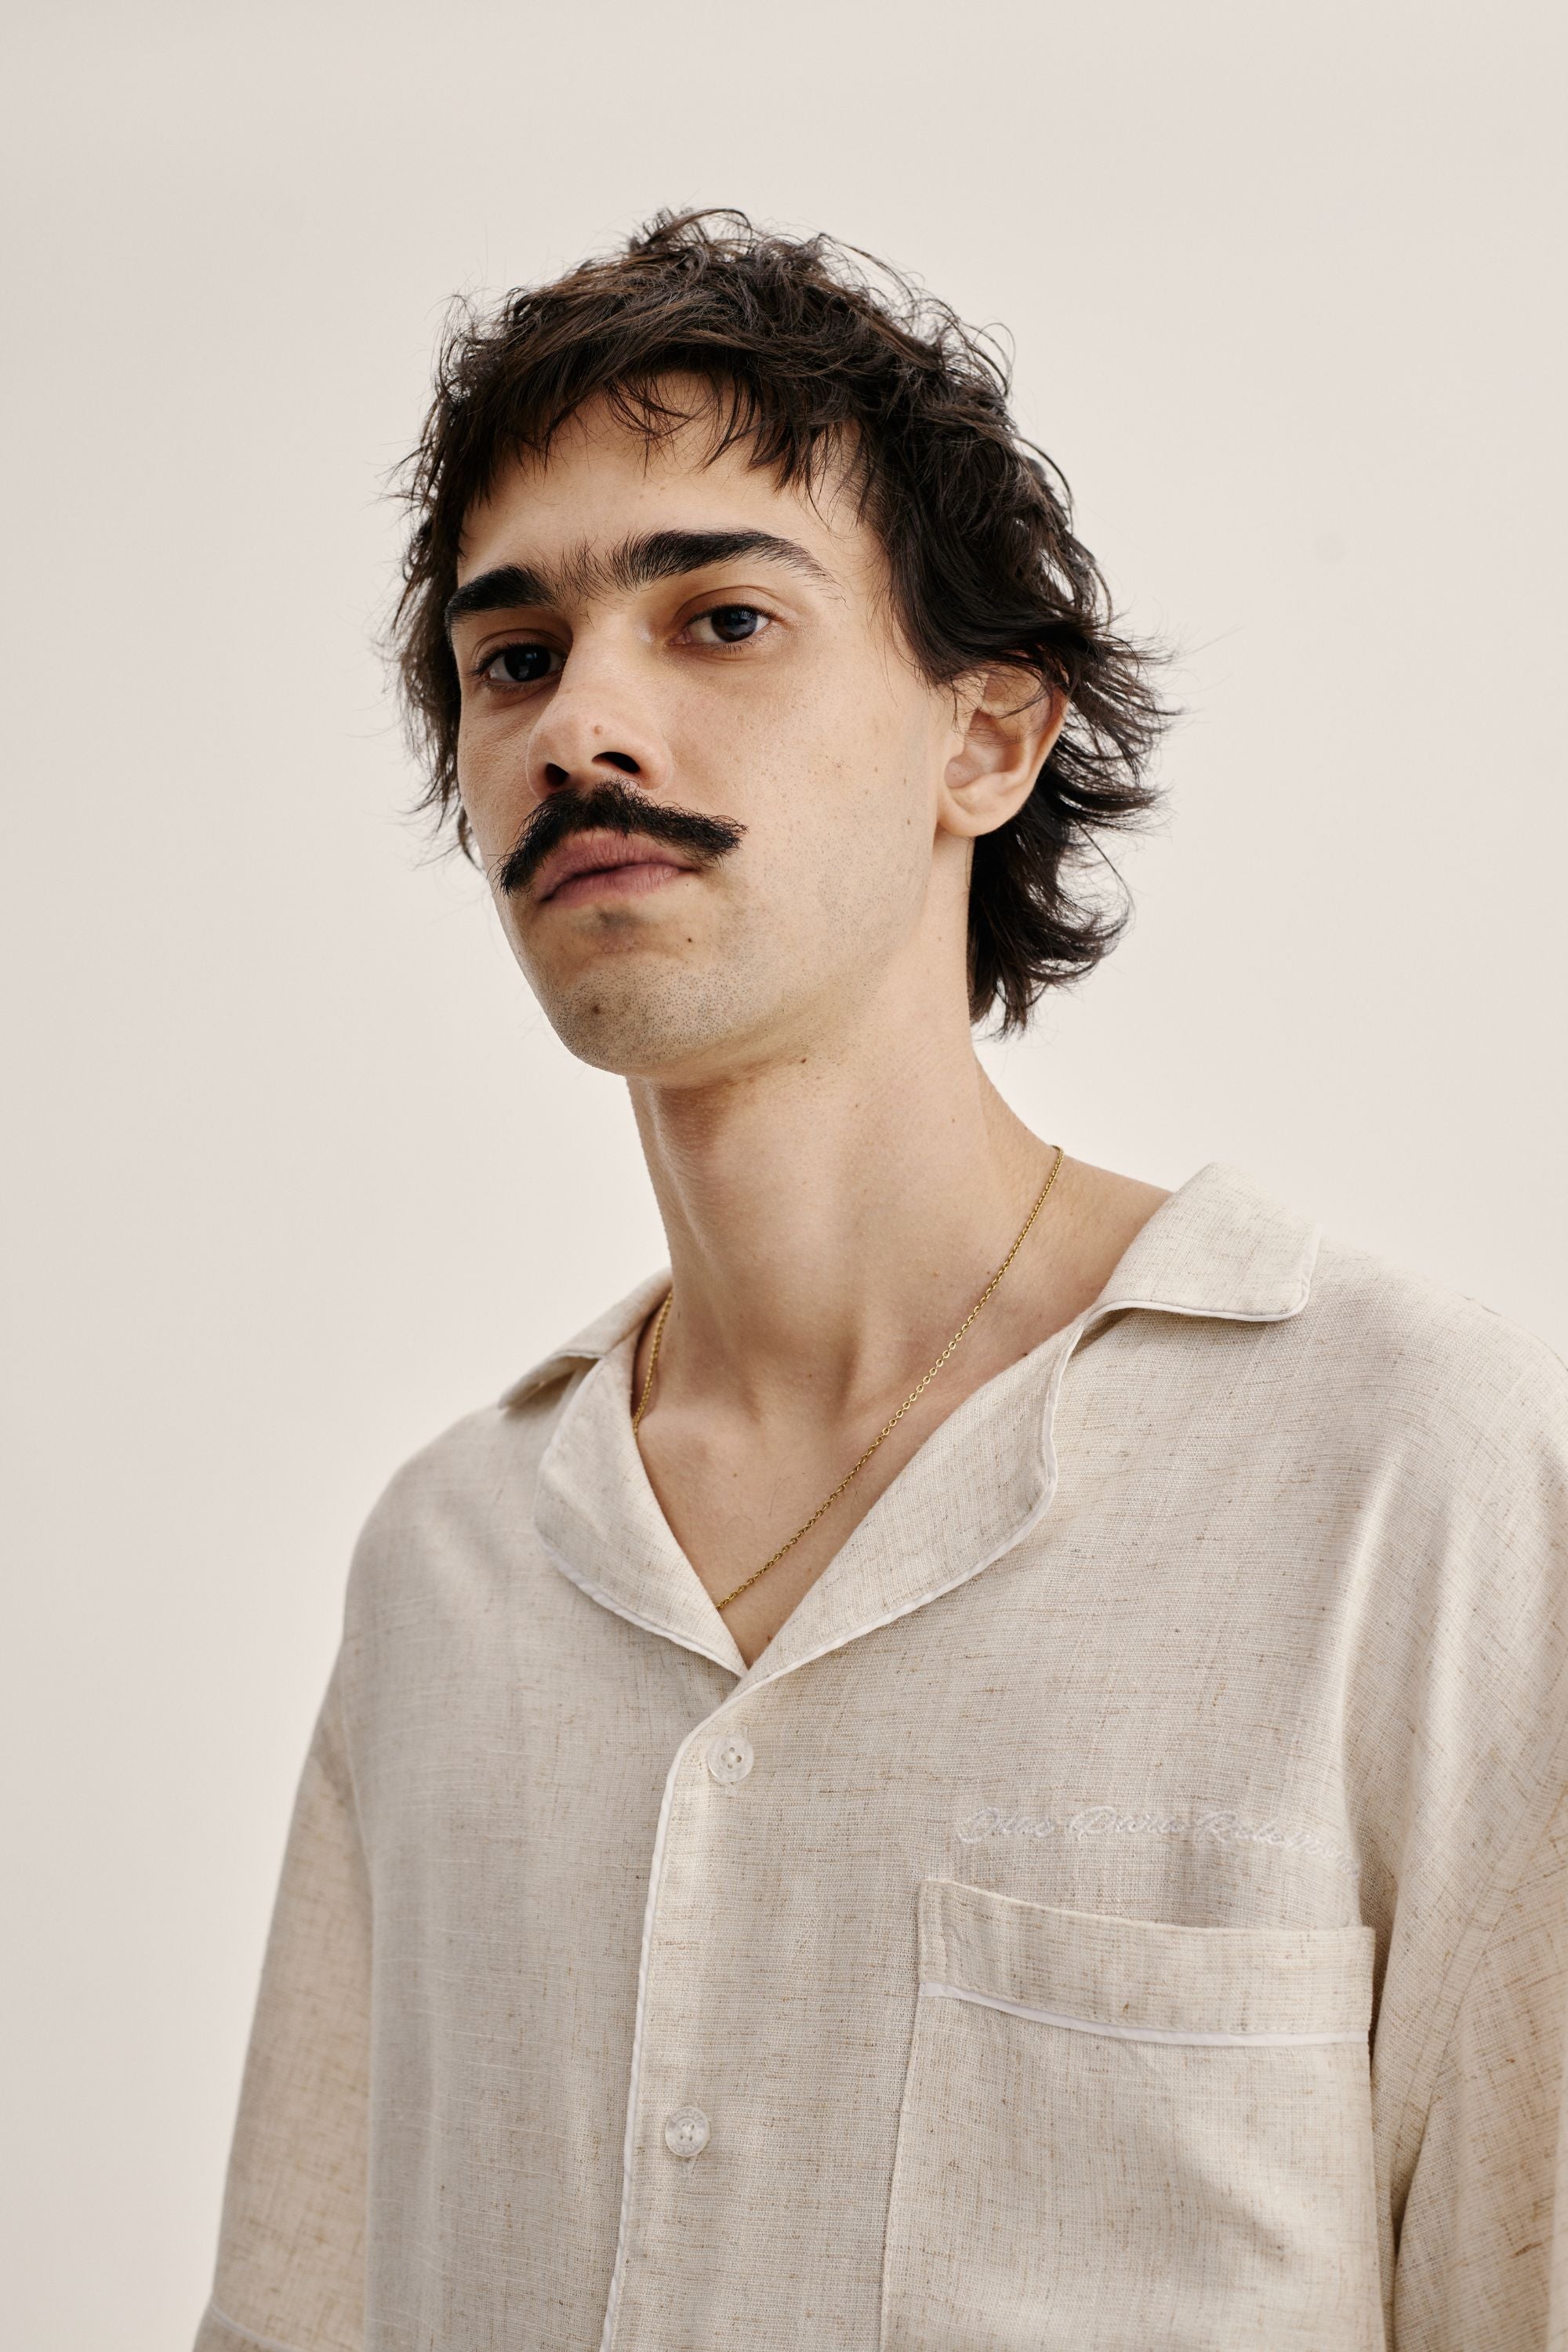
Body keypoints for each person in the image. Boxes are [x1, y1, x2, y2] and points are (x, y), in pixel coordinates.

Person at [193, 211, 1568, 2352]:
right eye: (513, 657)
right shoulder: (450, 1565)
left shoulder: (1396, 1474)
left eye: (722, 618)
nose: (581, 725)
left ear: (987, 740)